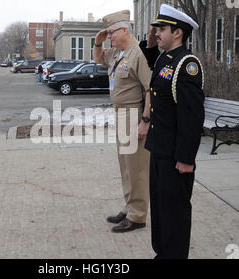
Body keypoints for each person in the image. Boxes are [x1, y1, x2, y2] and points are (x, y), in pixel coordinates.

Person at [140, 4, 205, 259]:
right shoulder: (166, 59)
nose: (157, 33)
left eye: (162, 29)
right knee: (159, 207)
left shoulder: (187, 64)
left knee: (175, 212)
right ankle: (163, 252)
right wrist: (150, 45)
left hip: (175, 156)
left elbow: (192, 117)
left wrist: (186, 159)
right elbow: (156, 78)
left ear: (177, 33)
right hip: (159, 148)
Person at [94, 10, 152, 233]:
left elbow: (150, 90)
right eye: (107, 33)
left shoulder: (139, 54)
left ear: (124, 30)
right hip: (121, 115)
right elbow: (98, 59)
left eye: (111, 32)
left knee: (136, 167)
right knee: (126, 166)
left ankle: (138, 215)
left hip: (133, 115)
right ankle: (130, 208)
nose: (109, 36)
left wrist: (145, 120)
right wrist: (98, 43)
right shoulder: (119, 54)